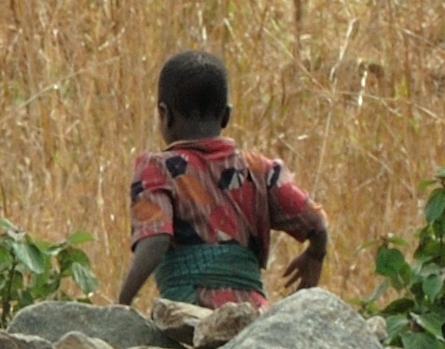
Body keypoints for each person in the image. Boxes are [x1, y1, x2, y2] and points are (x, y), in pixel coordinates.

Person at [113, 48, 329, 310]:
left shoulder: (158, 169)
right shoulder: (259, 170)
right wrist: (315, 254)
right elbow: (316, 222)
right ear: (226, 115)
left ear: (164, 115)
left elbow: (156, 240)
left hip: (190, 308)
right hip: (253, 314)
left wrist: (122, 302)